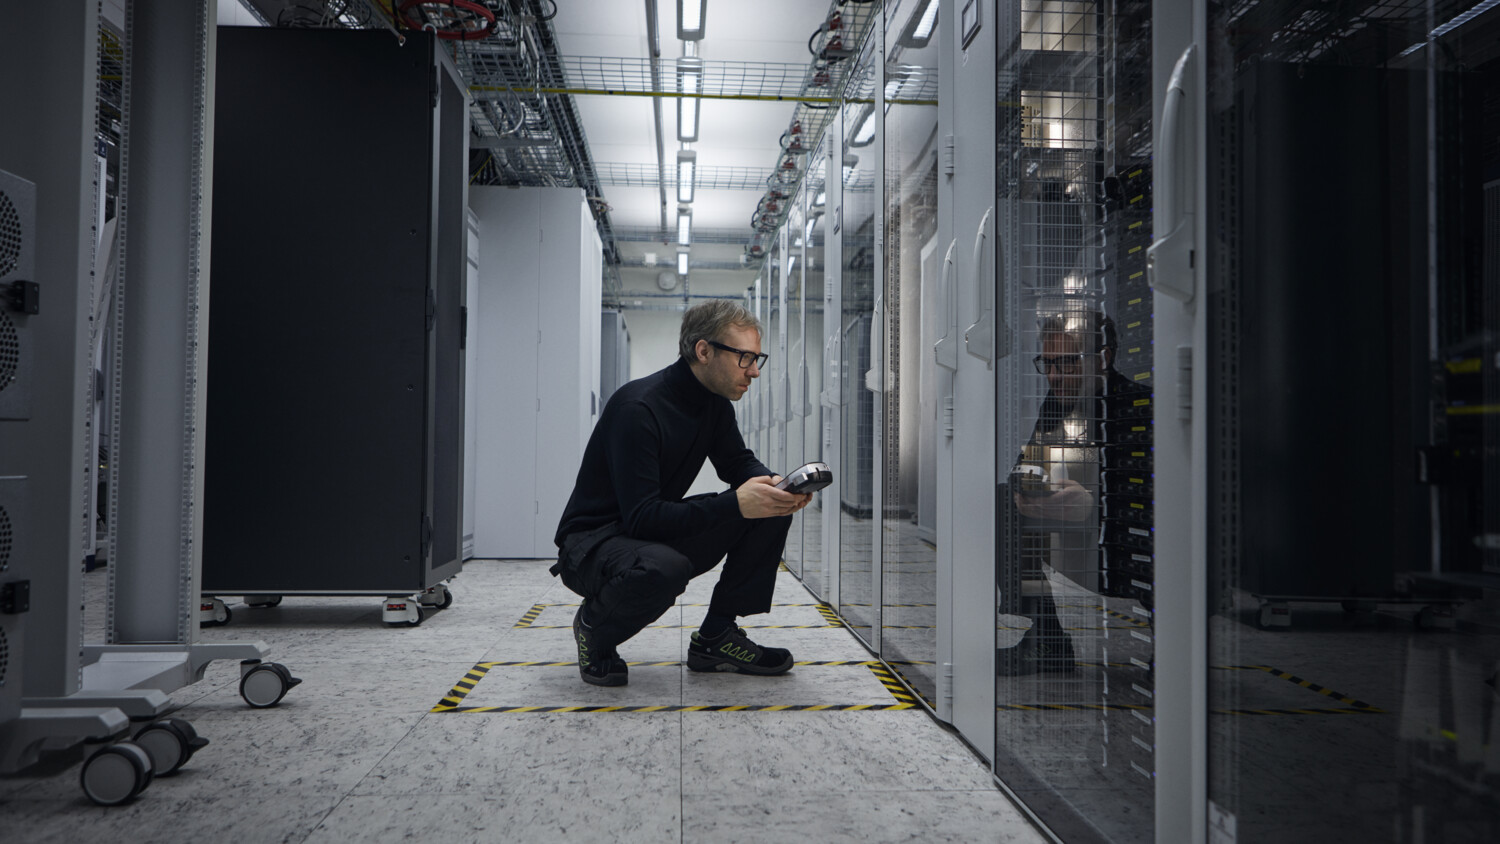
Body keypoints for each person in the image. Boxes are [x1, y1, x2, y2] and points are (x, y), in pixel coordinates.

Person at [550, 300, 813, 686]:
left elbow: (738, 462)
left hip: (645, 531)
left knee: (768, 508)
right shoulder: (638, 408)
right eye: (745, 358)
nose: (754, 372)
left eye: (758, 359)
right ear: (703, 351)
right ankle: (595, 630)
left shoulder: (714, 404)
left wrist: (774, 485)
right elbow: (642, 516)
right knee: (663, 568)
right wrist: (737, 502)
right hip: (593, 545)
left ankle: (716, 637)